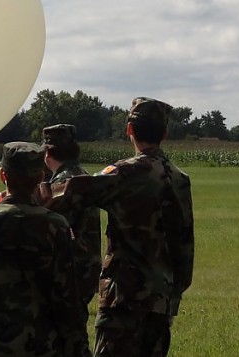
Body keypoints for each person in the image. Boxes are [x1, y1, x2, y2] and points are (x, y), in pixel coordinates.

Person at [0, 141, 87, 357]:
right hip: (42, 344)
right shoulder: (57, 225)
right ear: (39, 177)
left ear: (2, 175)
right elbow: (67, 297)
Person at [91, 97, 195, 357]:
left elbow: (72, 194)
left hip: (123, 300)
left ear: (129, 130)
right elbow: (184, 247)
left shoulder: (122, 173)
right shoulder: (179, 179)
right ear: (165, 133)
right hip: (160, 302)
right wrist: (172, 295)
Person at [41, 124, 101, 356]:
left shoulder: (65, 182)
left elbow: (43, 206)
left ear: (47, 153)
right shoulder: (83, 176)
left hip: (68, 274)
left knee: (67, 340)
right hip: (86, 269)